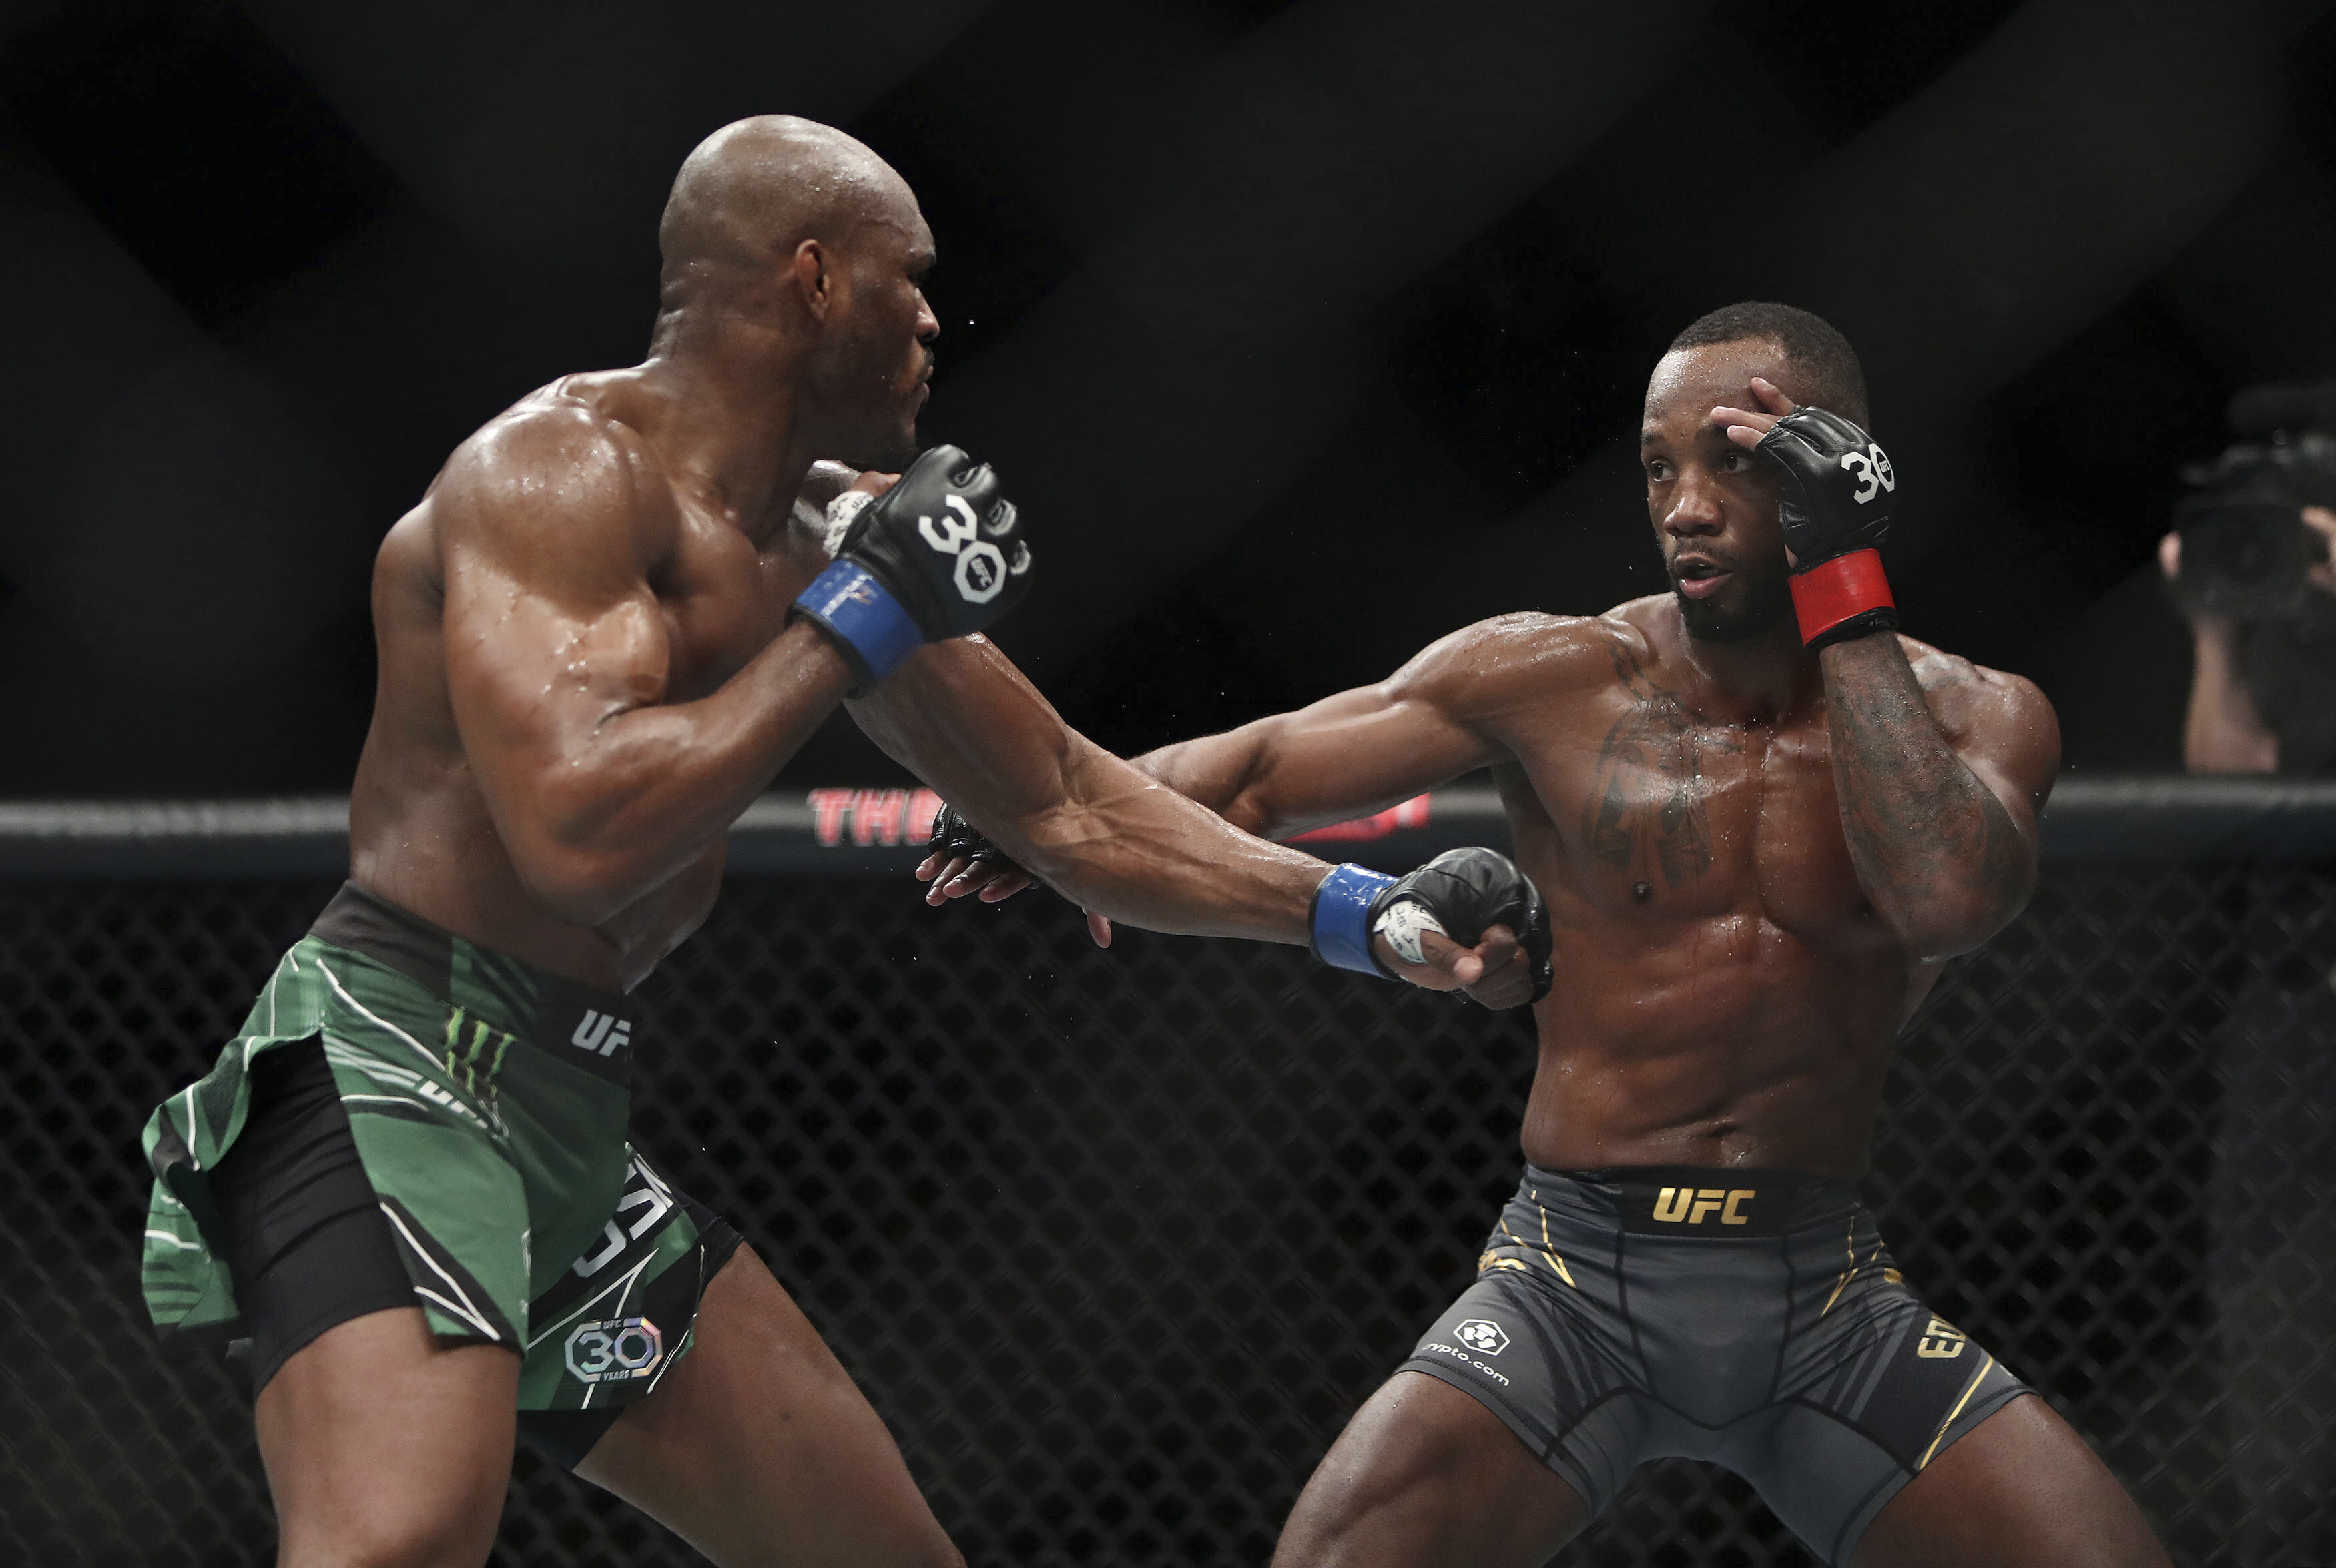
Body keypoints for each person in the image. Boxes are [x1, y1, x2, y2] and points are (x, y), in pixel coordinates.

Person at [136, 115, 1546, 1568]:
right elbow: (578, 832)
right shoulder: (554, 480)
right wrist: (859, 617)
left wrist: (1368, 915)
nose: (937, 318)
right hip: (397, 1065)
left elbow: (1061, 801)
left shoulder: (828, 533)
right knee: (399, 1538)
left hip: (569, 1106)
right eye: (910, 278)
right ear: (812, 278)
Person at [922, 302, 2174, 1567]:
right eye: (1656, 465)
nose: (1684, 504)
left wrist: (1846, 581)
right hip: (1574, 1287)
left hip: (1829, 1300)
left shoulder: (1982, 715)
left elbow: (1950, 898)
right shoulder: (1555, 675)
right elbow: (1256, 768)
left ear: (1832, 462)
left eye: (1732, 459)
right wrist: (1037, 809)